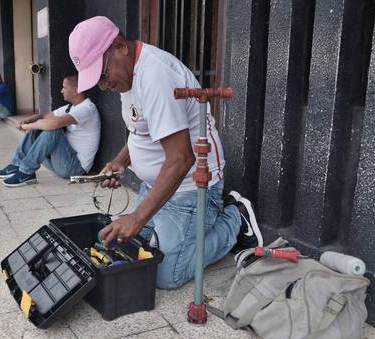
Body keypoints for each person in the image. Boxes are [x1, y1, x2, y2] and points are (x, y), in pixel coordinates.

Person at [68, 16, 264, 289]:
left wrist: (138, 217)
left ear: (119, 46)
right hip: (157, 184)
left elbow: (182, 158)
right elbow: (140, 129)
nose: (103, 85)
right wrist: (120, 161)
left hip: (191, 188)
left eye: (101, 75)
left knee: (165, 274)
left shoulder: (155, 76)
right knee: (130, 248)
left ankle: (234, 219)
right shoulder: (127, 75)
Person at [0, 72, 101, 187]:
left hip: (74, 168)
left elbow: (54, 123)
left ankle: (26, 172)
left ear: (75, 90)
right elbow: (45, 116)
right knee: (40, 126)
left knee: (53, 129)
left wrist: (29, 126)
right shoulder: (71, 107)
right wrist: (30, 120)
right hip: (62, 162)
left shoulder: (87, 109)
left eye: (64, 87)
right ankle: (17, 165)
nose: (61, 91)